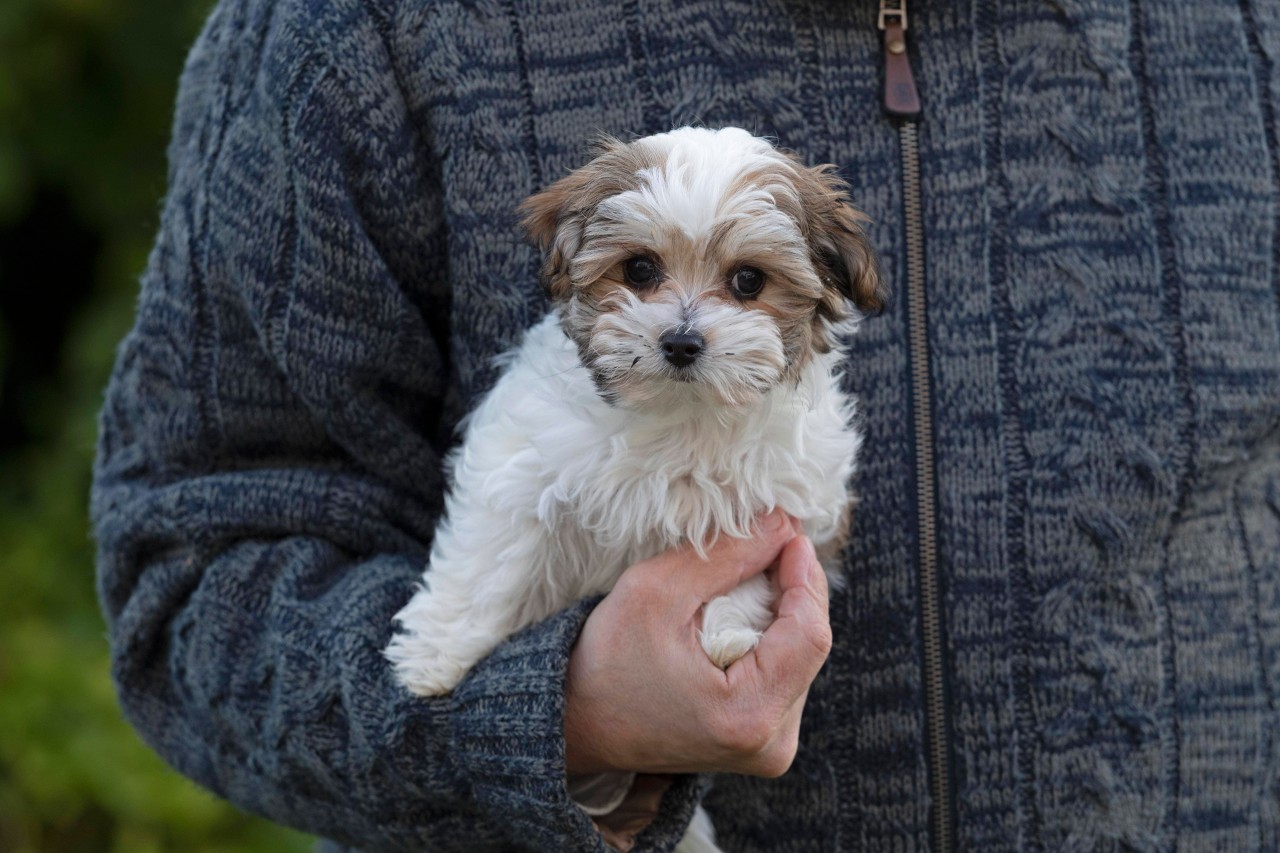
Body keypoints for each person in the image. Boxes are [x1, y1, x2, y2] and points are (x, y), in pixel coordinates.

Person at [92, 0, 1280, 850]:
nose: (684, 325)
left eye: (745, 286)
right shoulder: (363, 32)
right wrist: (553, 721)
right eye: (645, 278)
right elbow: (189, 577)